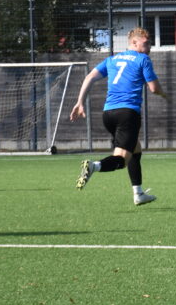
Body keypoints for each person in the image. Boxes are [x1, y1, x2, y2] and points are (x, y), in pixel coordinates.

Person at [70, 26, 169, 205]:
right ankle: (93, 166)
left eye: (150, 44)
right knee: (122, 160)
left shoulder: (112, 59)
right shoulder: (143, 59)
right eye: (146, 44)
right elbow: (154, 88)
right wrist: (164, 94)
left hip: (108, 114)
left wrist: (80, 102)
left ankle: (138, 193)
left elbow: (89, 77)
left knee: (135, 149)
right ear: (134, 42)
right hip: (128, 114)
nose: (149, 48)